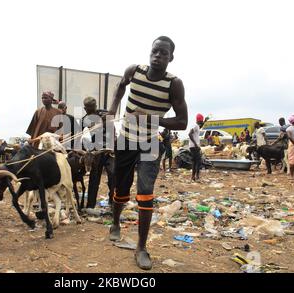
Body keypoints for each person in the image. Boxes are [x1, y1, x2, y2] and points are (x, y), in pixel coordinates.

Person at [107, 36, 188, 270]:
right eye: (155, 51)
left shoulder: (174, 84)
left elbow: (182, 122)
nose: (158, 56)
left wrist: (152, 119)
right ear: (149, 52)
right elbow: (120, 87)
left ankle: (141, 247)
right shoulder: (134, 71)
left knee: (145, 192)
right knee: (121, 189)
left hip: (150, 143)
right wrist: (112, 111)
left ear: (171, 58)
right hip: (126, 141)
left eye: (163, 53)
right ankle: (115, 223)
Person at [82, 96, 115, 208]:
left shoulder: (104, 113)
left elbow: (112, 124)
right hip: (96, 152)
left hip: (110, 150)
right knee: (94, 178)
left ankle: (113, 202)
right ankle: (90, 205)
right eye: (88, 109)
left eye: (92, 108)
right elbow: (83, 135)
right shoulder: (85, 119)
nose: (90, 111)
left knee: (113, 175)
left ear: (95, 106)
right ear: (85, 109)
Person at [189, 114, 204, 181]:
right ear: (200, 120)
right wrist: (195, 144)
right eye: (202, 120)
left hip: (193, 146)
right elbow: (189, 134)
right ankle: (196, 176)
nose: (202, 122)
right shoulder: (195, 126)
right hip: (194, 146)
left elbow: (199, 128)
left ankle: (193, 176)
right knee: (198, 161)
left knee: (195, 162)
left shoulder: (197, 126)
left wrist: (205, 121)